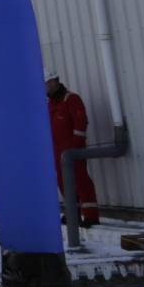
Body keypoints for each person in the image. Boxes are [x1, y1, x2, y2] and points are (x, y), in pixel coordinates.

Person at [46, 70, 99, 227]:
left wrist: (75, 146)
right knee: (62, 182)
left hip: (72, 150)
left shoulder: (71, 99)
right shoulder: (50, 103)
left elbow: (80, 123)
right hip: (57, 151)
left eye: (46, 84)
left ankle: (91, 215)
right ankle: (72, 213)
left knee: (81, 180)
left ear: (54, 82)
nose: (44, 87)